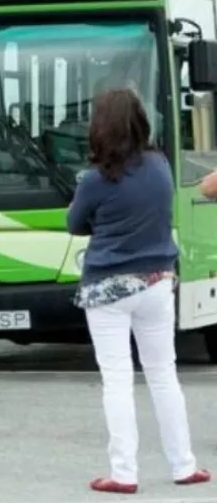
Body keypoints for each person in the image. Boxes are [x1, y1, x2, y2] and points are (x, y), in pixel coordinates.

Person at [68, 88, 209, 493]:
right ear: (140, 122)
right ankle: (184, 465)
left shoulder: (95, 179)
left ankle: (124, 473)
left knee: (117, 379)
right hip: (156, 282)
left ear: (99, 127)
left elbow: (75, 224)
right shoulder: (160, 165)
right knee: (163, 375)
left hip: (107, 288)